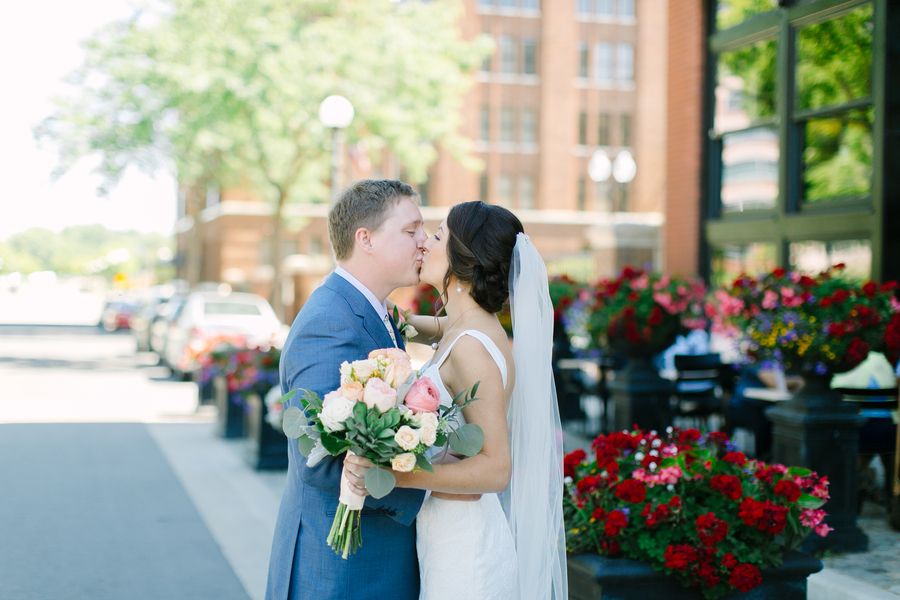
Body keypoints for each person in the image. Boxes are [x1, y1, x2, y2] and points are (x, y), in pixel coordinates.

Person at [345, 201, 568, 599]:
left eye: (436, 236)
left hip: (466, 551)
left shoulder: (471, 348)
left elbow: (496, 470)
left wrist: (396, 474)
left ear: (462, 258)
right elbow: (418, 326)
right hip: (446, 531)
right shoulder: (467, 325)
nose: (424, 244)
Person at [266, 180, 434, 600]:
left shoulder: (377, 314)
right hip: (341, 571)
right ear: (366, 239)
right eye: (411, 230)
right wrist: (436, 488)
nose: (423, 242)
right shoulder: (330, 321)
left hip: (371, 562)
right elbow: (321, 459)